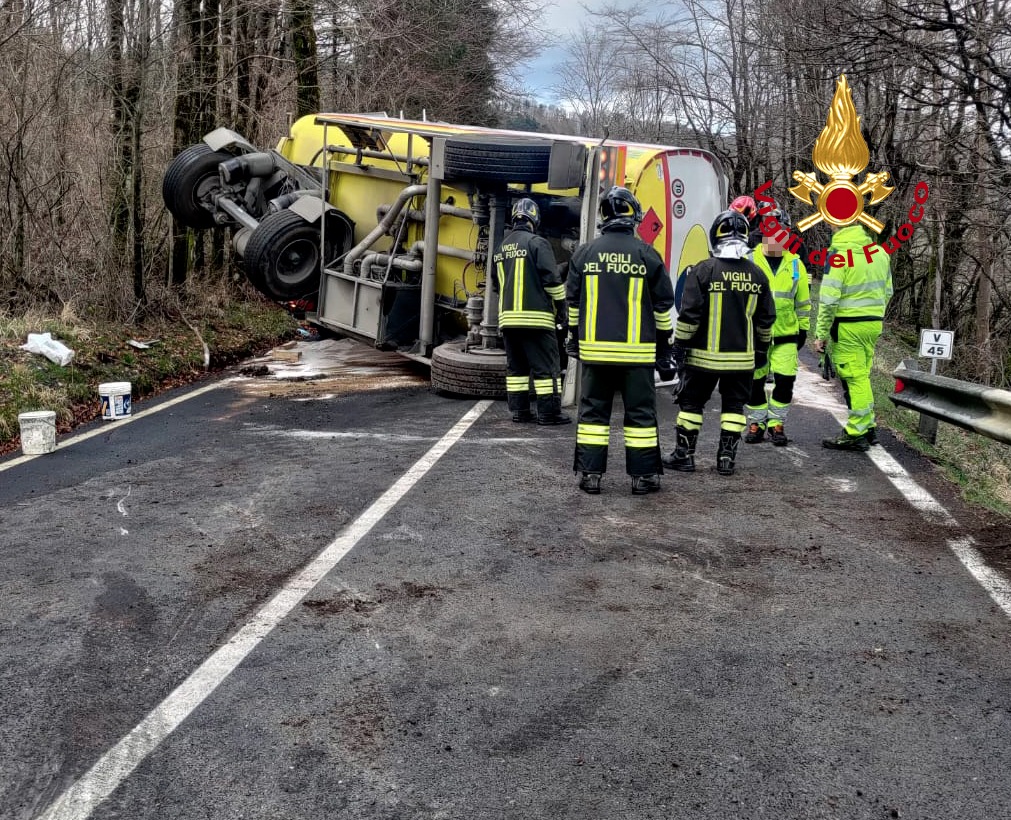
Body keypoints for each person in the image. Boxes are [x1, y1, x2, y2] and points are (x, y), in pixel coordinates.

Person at [566, 186, 676, 495]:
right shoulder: (646, 254)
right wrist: (665, 348)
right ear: (634, 217)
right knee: (640, 414)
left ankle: (590, 475)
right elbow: (663, 307)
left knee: (592, 414)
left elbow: (572, 304)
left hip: (595, 352)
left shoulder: (585, 253)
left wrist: (574, 339)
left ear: (603, 217)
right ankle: (643, 477)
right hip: (637, 354)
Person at [662, 209, 776, 476]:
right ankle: (726, 459)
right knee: (734, 408)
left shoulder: (703, 270)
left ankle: (684, 455)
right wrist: (760, 351)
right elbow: (765, 320)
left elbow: (689, 315)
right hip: (742, 359)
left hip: (702, 359)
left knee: (691, 405)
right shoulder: (758, 275)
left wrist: (679, 346)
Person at [491, 197, 570, 425]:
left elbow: (497, 285)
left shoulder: (501, 248)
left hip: (508, 321)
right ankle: (548, 413)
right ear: (534, 219)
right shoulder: (538, 243)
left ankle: (520, 412)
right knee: (546, 368)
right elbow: (552, 280)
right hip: (536, 320)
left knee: (517, 369)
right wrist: (562, 309)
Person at [814, 221, 892, 450]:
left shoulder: (838, 255)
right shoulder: (879, 253)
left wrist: (820, 333)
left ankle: (855, 431)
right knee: (862, 375)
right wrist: (873, 314)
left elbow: (828, 301)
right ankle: (868, 427)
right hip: (873, 324)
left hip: (848, 325)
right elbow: (888, 291)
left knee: (854, 377)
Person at [743, 207, 810, 446]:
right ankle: (757, 422)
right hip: (755, 336)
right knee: (755, 381)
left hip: (786, 334)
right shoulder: (749, 260)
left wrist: (803, 329)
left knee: (785, 380)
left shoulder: (795, 265)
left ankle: (776, 423)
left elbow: (803, 301)